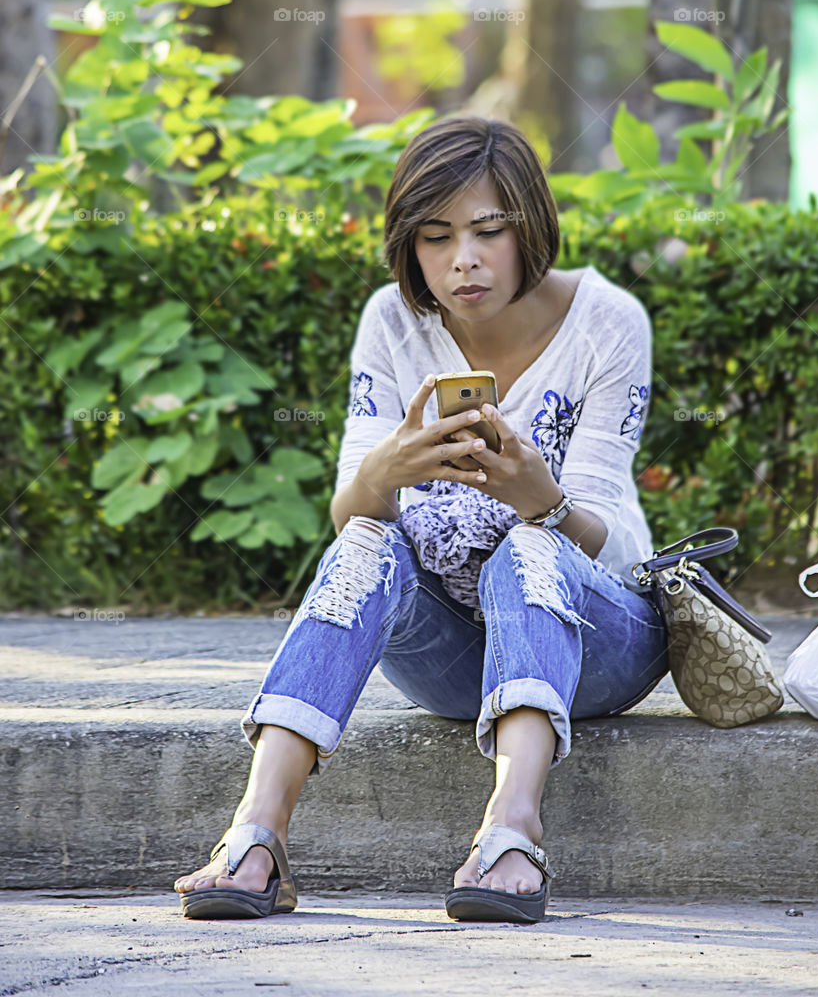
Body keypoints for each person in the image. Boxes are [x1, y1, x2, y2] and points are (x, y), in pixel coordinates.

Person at [174, 115, 669, 924]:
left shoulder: (607, 322)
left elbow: (601, 532)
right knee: (369, 538)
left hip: (599, 641)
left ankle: (510, 830)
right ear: (409, 246)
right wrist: (387, 472)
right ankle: (255, 836)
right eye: (435, 238)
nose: (462, 261)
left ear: (529, 227)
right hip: (452, 659)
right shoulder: (393, 322)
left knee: (528, 546)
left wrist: (536, 495)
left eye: (487, 231)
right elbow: (348, 512)